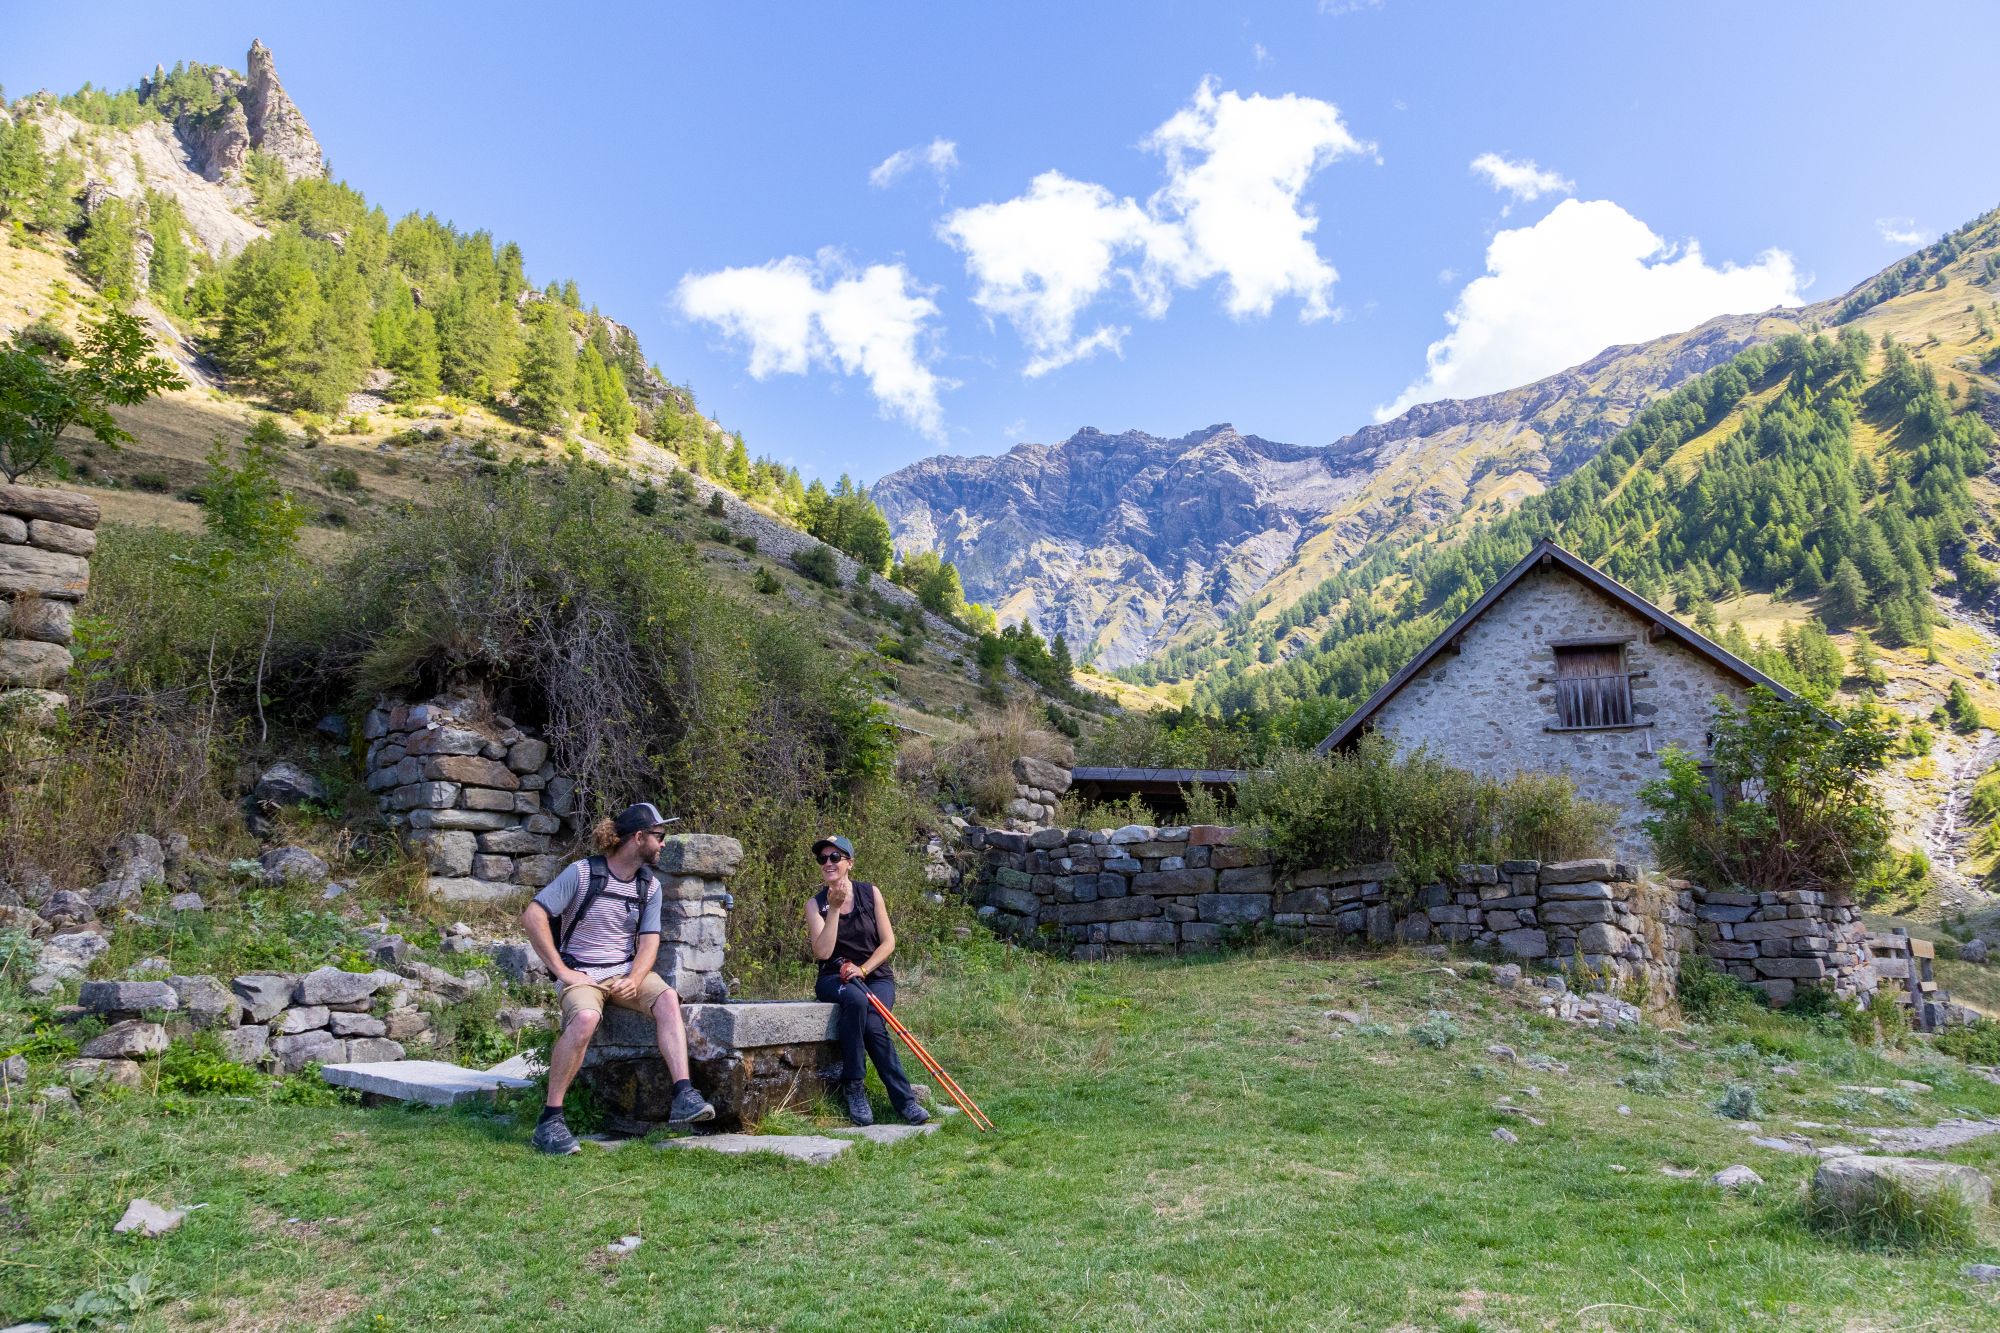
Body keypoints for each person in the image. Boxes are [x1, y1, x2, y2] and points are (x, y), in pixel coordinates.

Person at [520, 801, 714, 1155]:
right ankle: (550, 1120)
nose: (664, 843)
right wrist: (563, 971)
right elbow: (533, 916)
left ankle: (684, 1093)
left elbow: (649, 941)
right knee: (586, 1018)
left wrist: (637, 976)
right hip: (582, 974)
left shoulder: (649, 886)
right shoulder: (582, 874)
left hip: (624, 973)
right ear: (638, 838)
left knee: (668, 998)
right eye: (659, 835)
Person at [804, 835, 928, 1127]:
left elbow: (888, 943)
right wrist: (833, 909)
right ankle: (859, 1087)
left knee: (873, 1022)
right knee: (856, 1001)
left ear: (850, 863)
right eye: (823, 859)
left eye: (835, 857)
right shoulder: (816, 904)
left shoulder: (871, 893)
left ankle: (900, 1100)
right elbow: (822, 952)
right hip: (834, 977)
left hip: (875, 975)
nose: (828, 863)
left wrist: (863, 968)